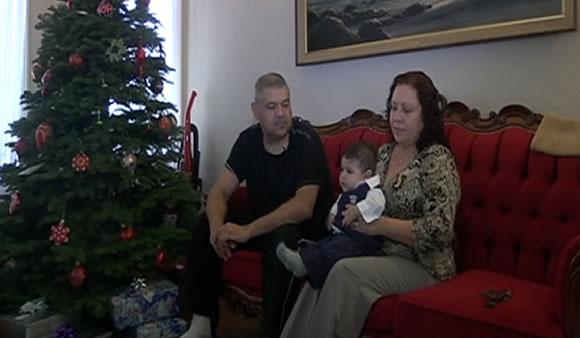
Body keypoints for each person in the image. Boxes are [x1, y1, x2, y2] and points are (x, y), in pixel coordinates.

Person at [280, 70, 461, 338]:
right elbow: (364, 194)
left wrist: (380, 226)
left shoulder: (437, 160)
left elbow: (441, 229)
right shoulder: (385, 154)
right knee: (318, 266)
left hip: (424, 265)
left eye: (407, 110)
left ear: (426, 115)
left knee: (344, 272)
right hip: (378, 253)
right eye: (393, 108)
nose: (397, 117)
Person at [180, 72, 333, 338]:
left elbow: (303, 206)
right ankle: (202, 324)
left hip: (304, 232)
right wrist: (217, 230)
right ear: (256, 110)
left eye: (286, 104)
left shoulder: (306, 140)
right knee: (204, 223)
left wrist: (246, 231)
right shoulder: (248, 139)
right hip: (263, 223)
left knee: (280, 240)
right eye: (272, 107)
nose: (281, 114)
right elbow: (218, 192)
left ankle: (273, 333)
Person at [276, 141, 385, 288]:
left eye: (349, 171)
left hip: (361, 242)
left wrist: (358, 209)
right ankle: (303, 258)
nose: (343, 176)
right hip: (342, 236)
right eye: (342, 170)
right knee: (326, 244)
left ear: (367, 175)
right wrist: (331, 217)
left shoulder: (372, 191)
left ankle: (305, 264)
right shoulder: (344, 194)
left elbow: (377, 204)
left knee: (335, 248)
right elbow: (336, 207)